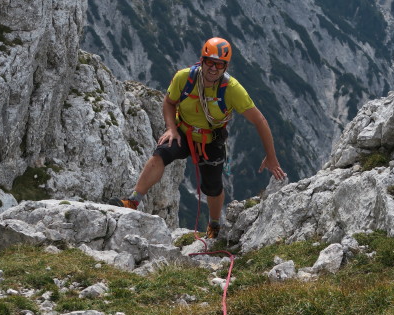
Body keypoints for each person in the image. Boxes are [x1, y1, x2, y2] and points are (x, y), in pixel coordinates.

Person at [111, 37, 286, 238]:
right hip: (182, 132)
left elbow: (260, 120)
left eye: (219, 64)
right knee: (161, 154)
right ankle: (132, 200)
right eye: (209, 62)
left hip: (211, 140)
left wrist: (271, 157)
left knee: (212, 186)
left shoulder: (232, 89)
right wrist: (171, 129)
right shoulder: (184, 78)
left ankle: (213, 225)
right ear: (201, 60)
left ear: (225, 66)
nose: (213, 68)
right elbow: (169, 102)